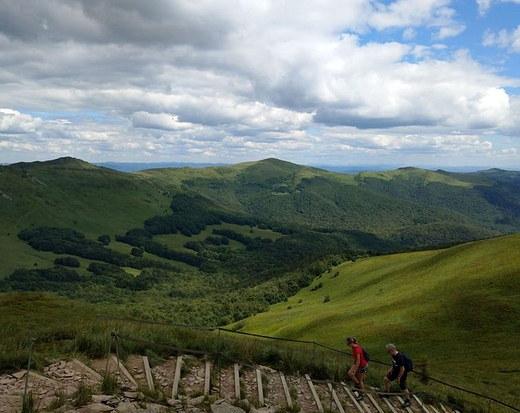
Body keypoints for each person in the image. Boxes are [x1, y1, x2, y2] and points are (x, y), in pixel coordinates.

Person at [383, 343, 412, 408]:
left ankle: (408, 400)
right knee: (386, 379)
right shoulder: (394, 355)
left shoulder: (399, 357)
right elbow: (394, 363)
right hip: (395, 371)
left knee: (403, 386)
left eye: (388, 351)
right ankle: (387, 393)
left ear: (392, 350)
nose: (388, 353)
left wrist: (399, 377)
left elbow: (402, 368)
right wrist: (391, 369)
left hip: (401, 373)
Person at [346, 337, 368, 401]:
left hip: (363, 366)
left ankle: (362, 394)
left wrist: (354, 370)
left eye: (348, 344)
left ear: (351, 343)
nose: (348, 345)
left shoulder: (357, 350)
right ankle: (358, 385)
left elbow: (358, 361)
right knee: (350, 373)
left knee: (360, 379)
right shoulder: (354, 347)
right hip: (357, 364)